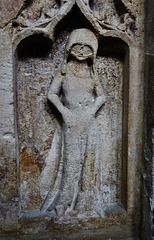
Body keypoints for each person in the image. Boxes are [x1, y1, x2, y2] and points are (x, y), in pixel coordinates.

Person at [41, 28, 105, 220]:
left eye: (87, 48)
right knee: (71, 165)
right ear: (70, 48)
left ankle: (85, 206)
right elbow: (51, 94)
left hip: (89, 123)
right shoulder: (64, 71)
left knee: (89, 164)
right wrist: (64, 112)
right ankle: (63, 205)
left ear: (93, 51)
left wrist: (91, 111)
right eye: (79, 46)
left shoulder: (91, 73)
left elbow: (102, 96)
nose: (82, 51)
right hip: (71, 122)